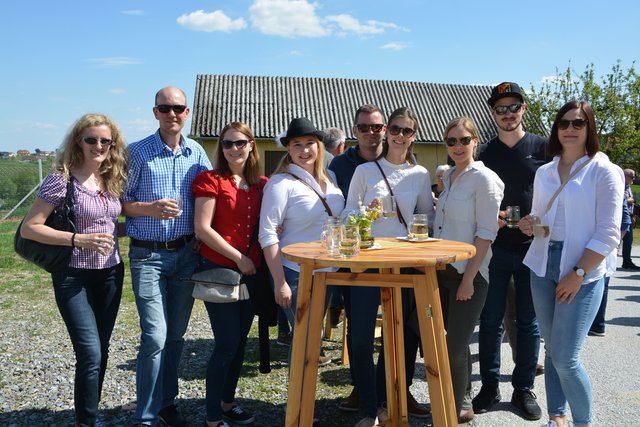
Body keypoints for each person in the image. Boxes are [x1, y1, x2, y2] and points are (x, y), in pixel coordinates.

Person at [519, 100, 623, 427]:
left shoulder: (604, 170)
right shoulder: (546, 171)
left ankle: (583, 422)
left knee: (566, 357)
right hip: (542, 263)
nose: (570, 129)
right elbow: (542, 219)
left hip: (583, 269)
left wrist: (578, 273)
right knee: (551, 350)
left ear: (589, 128)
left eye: (578, 123)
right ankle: (556, 417)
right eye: (564, 123)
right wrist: (530, 223)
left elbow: (609, 232)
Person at [20, 113, 128, 427]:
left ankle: (88, 414)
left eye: (105, 141)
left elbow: (106, 225)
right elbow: (30, 228)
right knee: (90, 352)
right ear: (78, 142)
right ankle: (87, 421)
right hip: (72, 275)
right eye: (91, 139)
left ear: (112, 145)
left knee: (102, 350)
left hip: (110, 273)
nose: (98, 146)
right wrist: (77, 239)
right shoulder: (61, 178)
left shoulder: (111, 178)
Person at [329, 104, 429, 418]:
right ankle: (369, 403)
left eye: (406, 130)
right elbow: (346, 215)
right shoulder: (365, 171)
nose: (400, 135)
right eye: (396, 129)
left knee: (401, 336)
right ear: (388, 132)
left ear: (414, 136)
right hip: (367, 261)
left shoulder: (420, 174)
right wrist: (364, 211)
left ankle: (393, 396)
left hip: (403, 262)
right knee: (359, 336)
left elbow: (427, 218)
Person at [123, 86, 212, 427]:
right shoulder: (137, 152)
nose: (172, 114)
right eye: (165, 108)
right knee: (155, 335)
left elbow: (211, 195)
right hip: (148, 256)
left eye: (178, 108)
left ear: (187, 112)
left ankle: (166, 403)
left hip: (186, 255)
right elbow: (120, 202)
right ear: (155, 112)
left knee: (175, 336)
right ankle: (145, 415)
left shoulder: (197, 153)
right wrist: (150, 208)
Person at [473, 82, 547, 421]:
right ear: (493, 112)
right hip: (494, 249)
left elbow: (557, 194)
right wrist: (493, 217)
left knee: (528, 323)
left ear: (523, 109)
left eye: (513, 107)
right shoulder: (484, 154)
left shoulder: (544, 148)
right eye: (500, 109)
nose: (507, 114)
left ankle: (523, 388)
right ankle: (489, 386)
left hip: (534, 249)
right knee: (489, 322)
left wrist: (541, 220)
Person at [192, 122, 267, 427]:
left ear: (251, 145)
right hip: (219, 271)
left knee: (238, 343)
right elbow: (202, 228)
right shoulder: (210, 180)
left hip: (252, 273)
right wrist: (238, 257)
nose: (233, 149)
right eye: (226, 144)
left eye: (239, 143)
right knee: (225, 343)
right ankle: (211, 418)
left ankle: (227, 402)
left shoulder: (262, 184)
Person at [433, 117, 504, 424]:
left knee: (454, 345)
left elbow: (486, 233)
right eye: (451, 141)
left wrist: (469, 279)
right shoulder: (448, 176)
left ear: (475, 141)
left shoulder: (485, 179)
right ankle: (463, 399)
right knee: (453, 341)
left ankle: (456, 404)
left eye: (464, 140)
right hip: (443, 270)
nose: (458, 146)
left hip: (469, 273)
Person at [259, 117, 344, 346]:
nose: (305, 150)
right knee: (305, 338)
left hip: (327, 269)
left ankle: (303, 383)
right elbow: (267, 234)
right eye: (297, 144)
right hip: (294, 272)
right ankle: (298, 383)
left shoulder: (331, 177)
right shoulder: (280, 183)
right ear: (288, 148)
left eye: (310, 142)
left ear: (319, 145)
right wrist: (280, 282)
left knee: (310, 338)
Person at [588, 165, 630, 337]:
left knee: (601, 283)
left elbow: (625, 221)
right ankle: (596, 324)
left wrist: (613, 245)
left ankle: (598, 324)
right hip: (595, 247)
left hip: (601, 248)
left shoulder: (611, 184)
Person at [621, 169, 639, 269]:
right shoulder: (620, 185)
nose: (634, 179)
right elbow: (621, 199)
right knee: (617, 241)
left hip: (629, 217)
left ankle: (627, 261)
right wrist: (630, 199)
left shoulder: (628, 187)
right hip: (622, 218)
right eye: (632, 177)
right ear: (625, 176)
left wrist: (633, 215)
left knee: (628, 241)